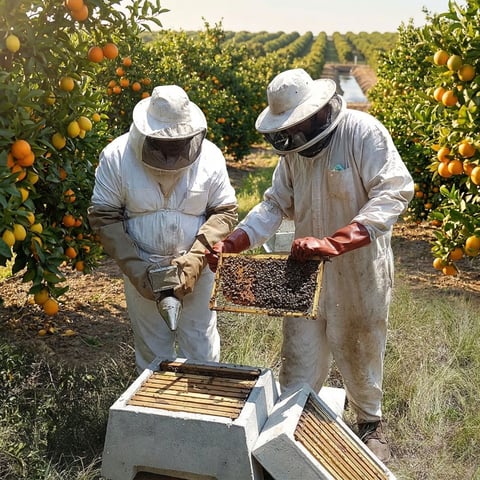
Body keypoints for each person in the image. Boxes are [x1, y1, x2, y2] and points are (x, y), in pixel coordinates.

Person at [205, 68, 414, 463]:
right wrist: (234, 242)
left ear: (320, 113)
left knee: (360, 346)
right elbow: (273, 205)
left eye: (300, 127)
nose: (295, 137)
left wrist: (333, 242)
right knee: (299, 357)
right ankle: (293, 430)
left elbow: (393, 193)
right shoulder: (293, 156)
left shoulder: (363, 132)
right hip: (305, 272)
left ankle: (370, 421)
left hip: (359, 268)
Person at [88, 85, 238, 373]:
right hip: (143, 268)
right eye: (163, 145)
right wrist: (136, 268)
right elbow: (104, 217)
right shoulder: (117, 156)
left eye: (178, 143)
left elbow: (225, 211)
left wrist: (195, 260)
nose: (171, 154)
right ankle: (156, 415)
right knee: (152, 354)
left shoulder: (210, 157)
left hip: (197, 266)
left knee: (201, 346)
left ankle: (201, 410)